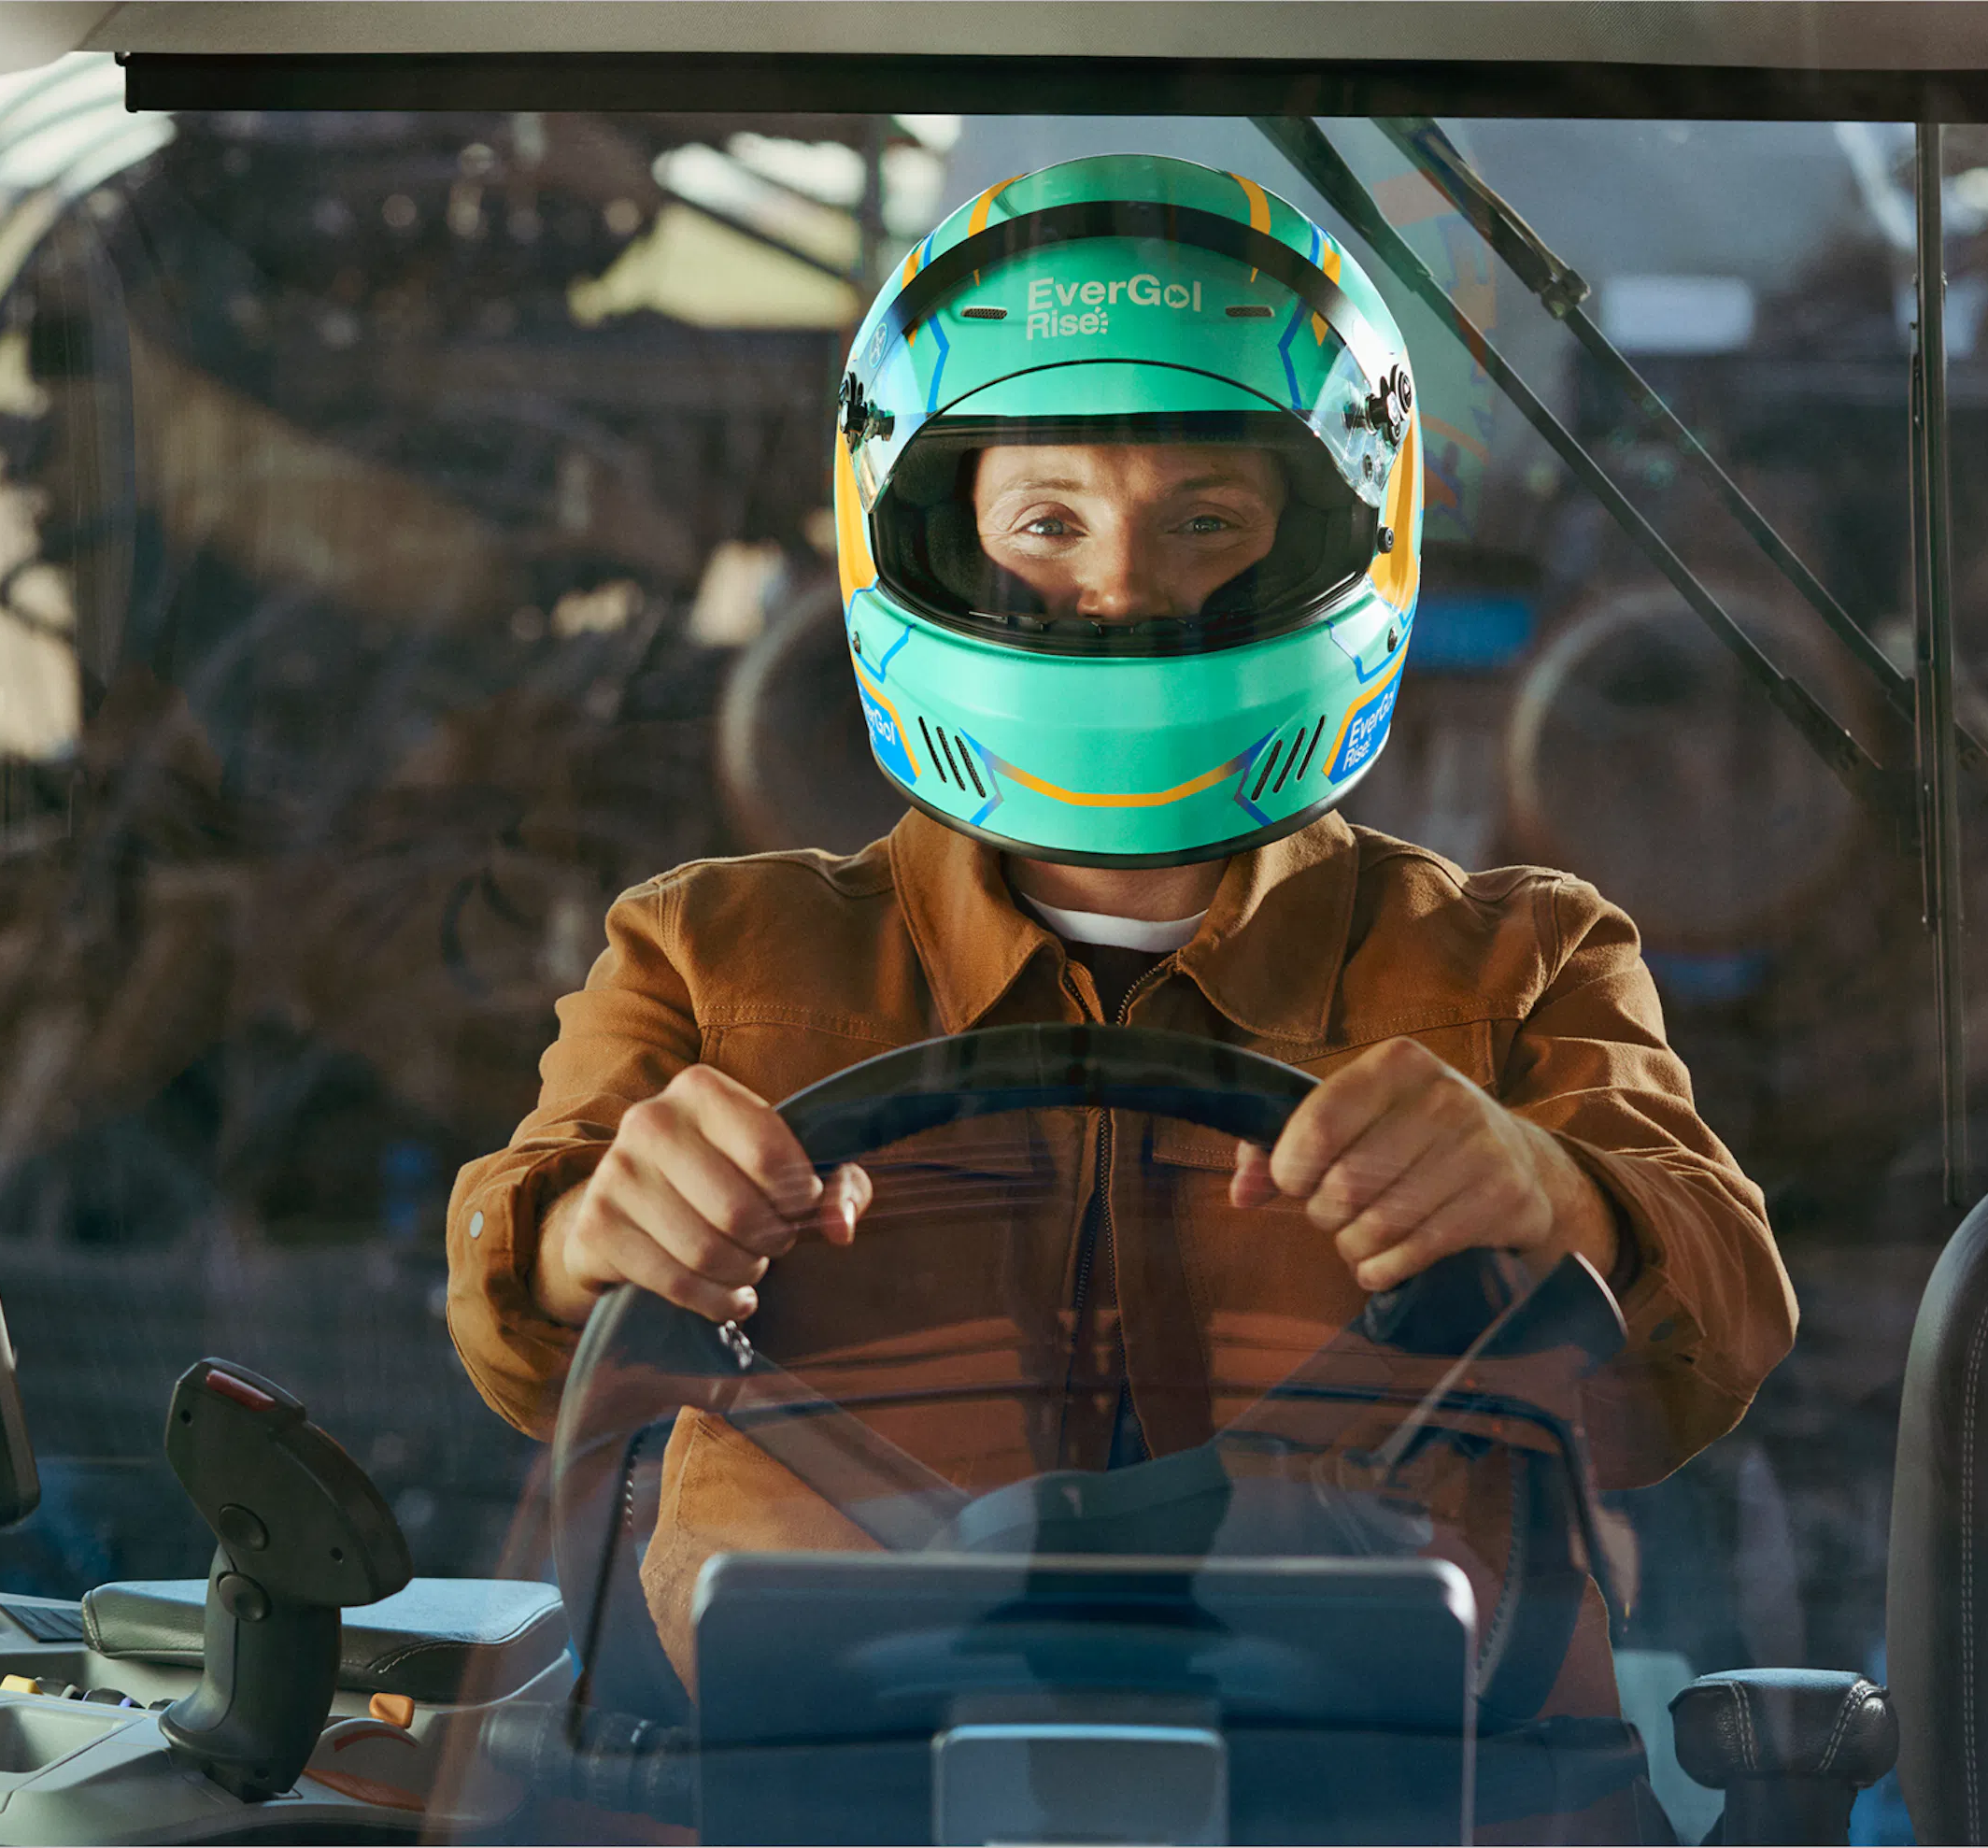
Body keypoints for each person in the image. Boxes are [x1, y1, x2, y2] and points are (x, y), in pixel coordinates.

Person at [446, 151, 1793, 1823]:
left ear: (1341, 535)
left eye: (1207, 523)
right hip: (814, 1791)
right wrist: (596, 1231)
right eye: (1046, 522)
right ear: (924, 535)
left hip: (1409, 1797)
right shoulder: (712, 948)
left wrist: (1550, 1193)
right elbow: (515, 1329)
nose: (1124, 591)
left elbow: (1721, 1324)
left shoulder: (1521, 956)